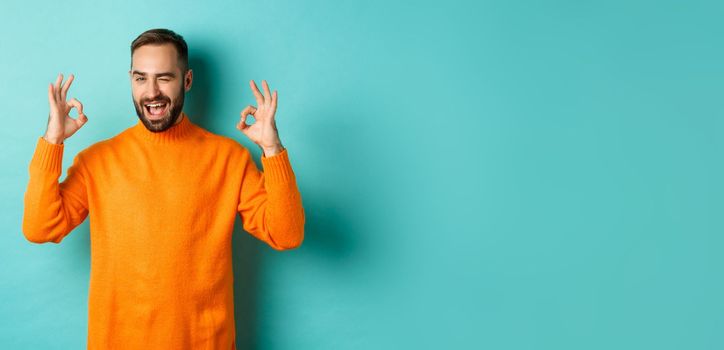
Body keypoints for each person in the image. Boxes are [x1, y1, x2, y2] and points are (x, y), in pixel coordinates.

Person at [22, 28, 305, 349]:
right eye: (141, 78)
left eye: (164, 78)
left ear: (187, 80)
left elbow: (287, 234)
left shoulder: (230, 158)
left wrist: (272, 149)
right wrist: (52, 140)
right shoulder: (97, 161)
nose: (152, 92)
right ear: (130, 79)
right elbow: (39, 227)